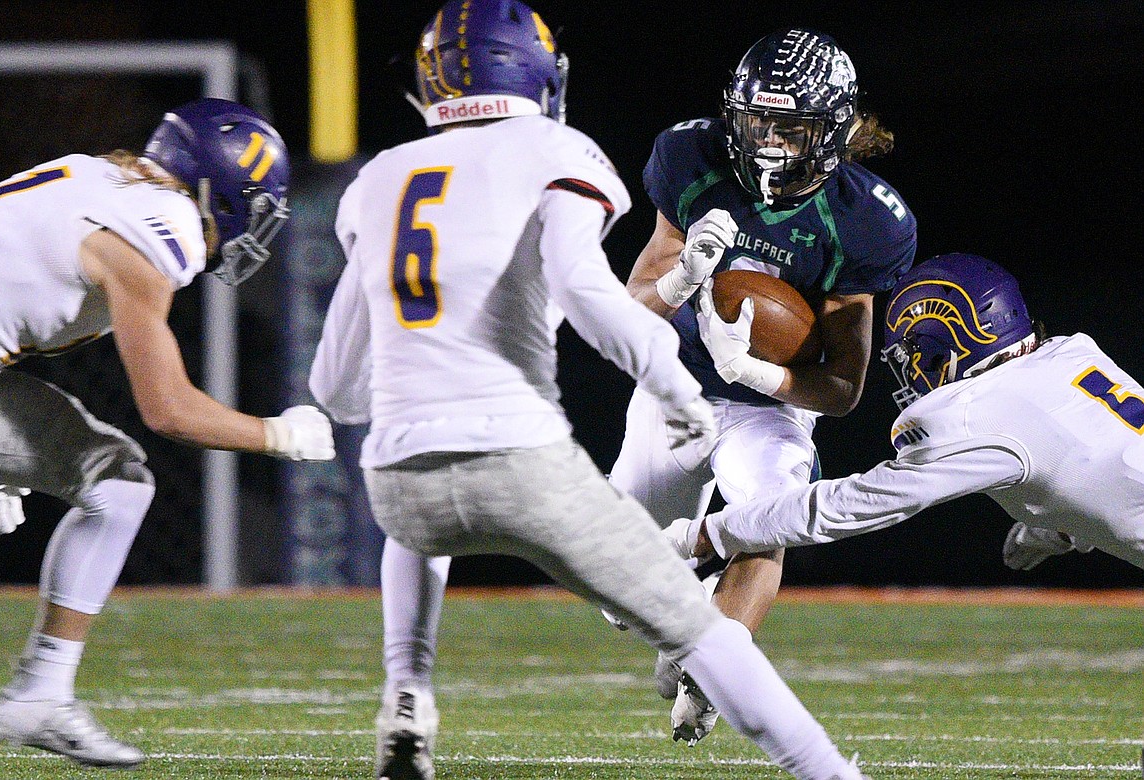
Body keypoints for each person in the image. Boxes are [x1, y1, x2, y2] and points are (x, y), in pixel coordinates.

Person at [309, 3, 869, 779]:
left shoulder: (375, 179)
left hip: (397, 477)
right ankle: (833, 773)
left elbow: (335, 389)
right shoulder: (561, 150)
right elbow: (587, 293)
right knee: (695, 635)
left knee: (418, 526)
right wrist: (672, 380)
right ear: (538, 73)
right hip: (523, 458)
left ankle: (406, 697)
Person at [0, 97, 336, 768]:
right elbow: (169, 410)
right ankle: (39, 695)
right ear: (222, 193)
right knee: (119, 482)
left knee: (114, 479)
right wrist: (280, 436)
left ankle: (42, 694)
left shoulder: (95, 177)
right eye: (253, 204)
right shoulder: (158, 228)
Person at [606, 27, 918, 742]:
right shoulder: (691, 157)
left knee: (768, 520)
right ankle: (682, 613)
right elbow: (632, 310)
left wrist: (753, 370)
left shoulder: (867, 220)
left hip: (769, 410)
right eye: (757, 122)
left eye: (792, 127)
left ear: (833, 127)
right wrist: (683, 277)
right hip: (672, 391)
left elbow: (841, 387)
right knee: (613, 587)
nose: (770, 142)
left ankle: (717, 666)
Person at [662, 252, 1144, 574]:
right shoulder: (1070, 355)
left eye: (912, 355)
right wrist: (1061, 524)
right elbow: (1098, 450)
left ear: (943, 344)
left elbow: (846, 506)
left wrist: (706, 532)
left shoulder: (976, 412)